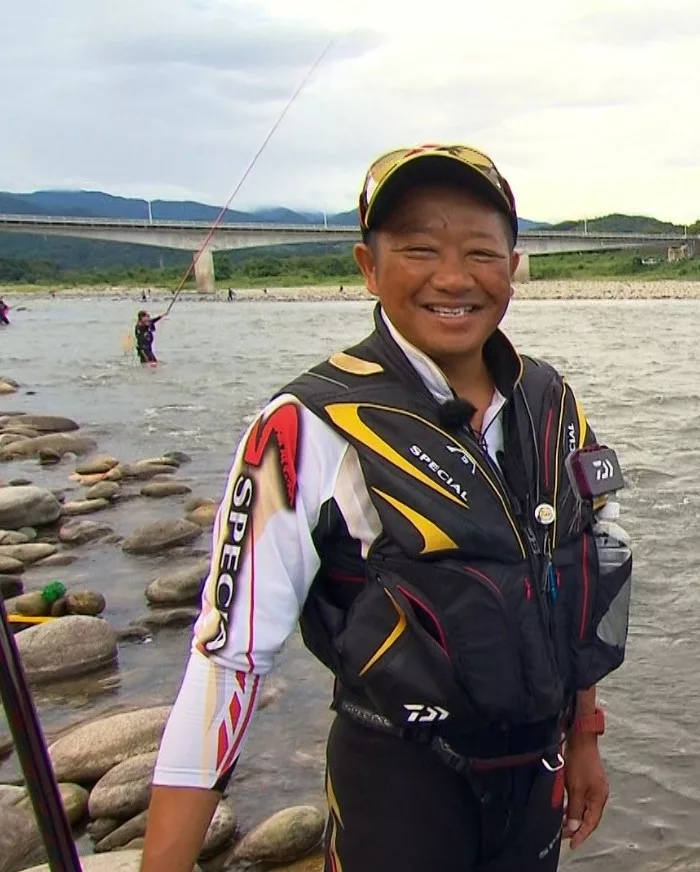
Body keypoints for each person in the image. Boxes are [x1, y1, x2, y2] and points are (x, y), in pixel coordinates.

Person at [140, 144, 634, 872]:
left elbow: (576, 572)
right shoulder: (302, 426)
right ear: (368, 266)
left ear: (513, 266)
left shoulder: (552, 401)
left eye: (480, 252)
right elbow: (229, 661)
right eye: (419, 249)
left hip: (534, 779)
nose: (453, 278)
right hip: (399, 788)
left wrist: (584, 734)